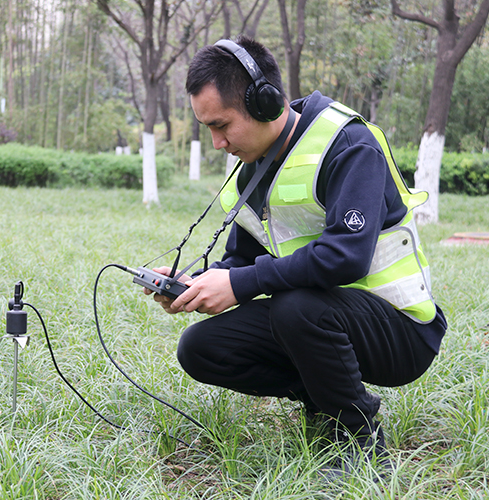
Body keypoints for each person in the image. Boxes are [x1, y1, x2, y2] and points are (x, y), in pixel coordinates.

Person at [145, 36, 448, 477]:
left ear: (264, 102)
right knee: (201, 348)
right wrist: (196, 283)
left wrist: (241, 284)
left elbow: (345, 258)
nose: (216, 142)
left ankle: (360, 437)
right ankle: (326, 401)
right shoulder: (252, 170)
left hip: (401, 329)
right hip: (319, 317)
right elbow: (242, 262)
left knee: (296, 306)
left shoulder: (348, 144)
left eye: (222, 125)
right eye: (207, 128)